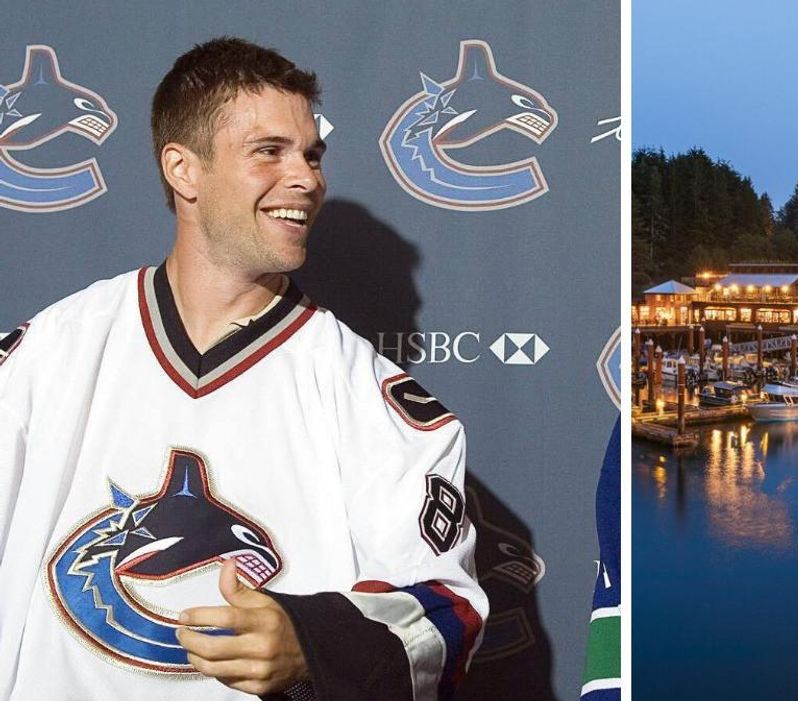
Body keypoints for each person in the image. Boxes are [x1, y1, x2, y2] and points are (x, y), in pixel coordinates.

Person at [0, 37, 486, 700]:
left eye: (311, 154)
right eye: (270, 151)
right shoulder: (49, 353)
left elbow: (447, 606)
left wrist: (314, 640)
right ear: (184, 170)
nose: (307, 178)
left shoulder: (371, 400)